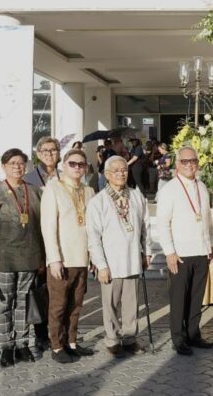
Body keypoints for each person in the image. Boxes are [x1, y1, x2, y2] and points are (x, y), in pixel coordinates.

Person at [0, 148, 45, 367]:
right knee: (4, 304)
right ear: (4, 166)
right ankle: (6, 346)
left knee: (23, 303)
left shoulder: (34, 191)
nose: (17, 167)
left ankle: (23, 344)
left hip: (29, 257)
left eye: (21, 163)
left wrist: (42, 258)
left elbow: (41, 227)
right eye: (12, 163)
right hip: (4, 259)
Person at [156, 145, 213, 355]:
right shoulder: (169, 189)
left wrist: (209, 244)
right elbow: (163, 223)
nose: (190, 165)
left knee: (196, 297)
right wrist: (169, 252)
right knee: (179, 298)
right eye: (185, 161)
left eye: (193, 161)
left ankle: (193, 334)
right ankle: (179, 338)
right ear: (177, 164)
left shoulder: (201, 186)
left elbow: (207, 219)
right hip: (180, 253)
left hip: (201, 251)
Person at [88, 155, 151, 357]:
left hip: (133, 258)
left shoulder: (136, 196)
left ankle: (130, 338)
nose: (121, 173)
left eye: (124, 170)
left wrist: (146, 252)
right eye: (116, 170)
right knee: (111, 303)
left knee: (132, 303)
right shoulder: (98, 201)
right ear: (106, 175)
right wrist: (101, 264)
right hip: (110, 262)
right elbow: (93, 236)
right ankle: (113, 339)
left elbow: (145, 227)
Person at [40, 148, 97, 363]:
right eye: (72, 163)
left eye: (81, 164)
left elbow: (92, 227)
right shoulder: (53, 189)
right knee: (58, 305)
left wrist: (93, 256)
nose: (77, 167)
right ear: (64, 165)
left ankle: (72, 342)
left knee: (76, 303)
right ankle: (56, 345)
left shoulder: (89, 191)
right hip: (62, 258)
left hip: (82, 257)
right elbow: (48, 227)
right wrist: (53, 258)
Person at [23, 136, 60, 355]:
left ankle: (60, 332)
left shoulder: (67, 175)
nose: (49, 153)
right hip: (37, 242)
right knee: (39, 291)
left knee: (59, 290)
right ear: (38, 154)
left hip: (61, 242)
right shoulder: (29, 178)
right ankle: (40, 335)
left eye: (53, 150)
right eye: (44, 150)